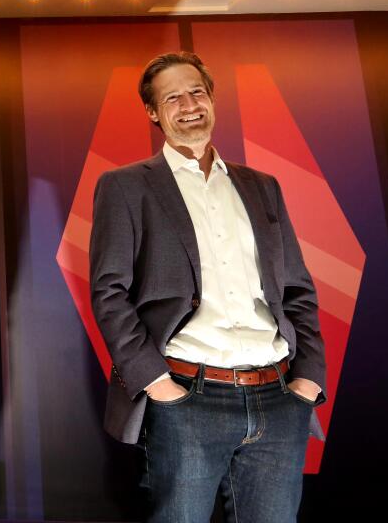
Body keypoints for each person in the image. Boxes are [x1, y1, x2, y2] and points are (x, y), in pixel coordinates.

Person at [89, 51, 326, 522]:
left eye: (196, 91)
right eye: (172, 97)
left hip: (279, 398)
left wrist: (309, 379)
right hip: (186, 398)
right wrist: (158, 385)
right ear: (154, 113)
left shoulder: (262, 186)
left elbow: (297, 288)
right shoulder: (125, 186)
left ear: (212, 99)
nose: (189, 104)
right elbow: (109, 293)